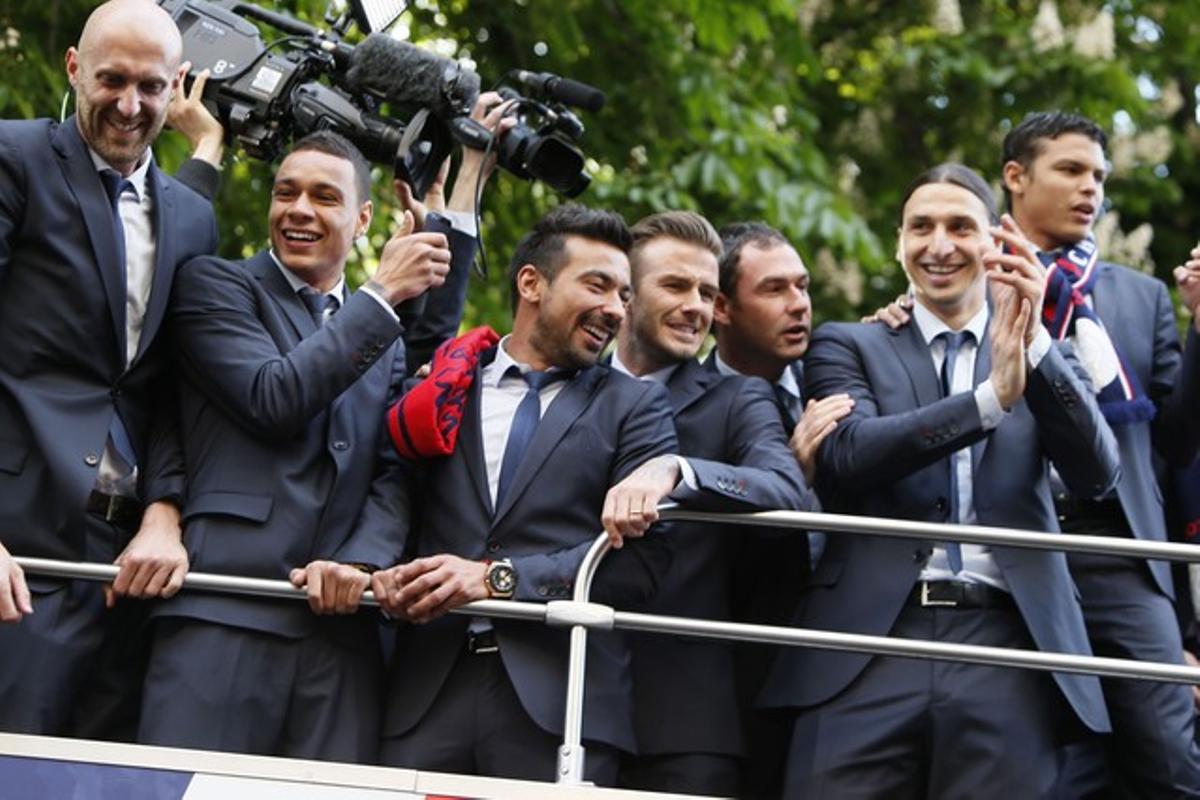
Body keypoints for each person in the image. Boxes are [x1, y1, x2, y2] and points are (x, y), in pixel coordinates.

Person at [134, 104, 503, 761]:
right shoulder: (215, 285)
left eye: (325, 197)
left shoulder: (379, 334)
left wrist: (361, 562)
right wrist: (381, 293)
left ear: (363, 220)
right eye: (286, 192)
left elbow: (395, 467)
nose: (299, 209)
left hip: (342, 636)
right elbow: (274, 397)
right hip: (225, 611)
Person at [761, 163, 1120, 797]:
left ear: (996, 242)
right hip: (867, 640)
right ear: (899, 242)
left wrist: (1033, 343)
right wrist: (988, 401)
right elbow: (848, 455)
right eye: (921, 227)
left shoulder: (1049, 354)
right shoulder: (850, 344)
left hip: (1008, 643)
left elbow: (1097, 474)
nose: (940, 245)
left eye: (960, 226)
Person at [371, 204, 685, 785]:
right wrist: (375, 570)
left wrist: (497, 579)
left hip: (561, 705)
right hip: (422, 694)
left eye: (624, 295)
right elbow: (392, 494)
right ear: (531, 283)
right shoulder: (445, 382)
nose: (616, 309)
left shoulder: (637, 405)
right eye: (597, 285)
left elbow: (643, 562)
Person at [0, 0, 217, 734]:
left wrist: (165, 513)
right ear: (74, 68)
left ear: (176, 85)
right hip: (16, 544)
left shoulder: (194, 217)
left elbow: (178, 388)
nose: (129, 105)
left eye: (151, 86)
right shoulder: (15, 157)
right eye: (112, 80)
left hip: (127, 569)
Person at [1002, 111, 1200, 797]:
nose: (1091, 188)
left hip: (1121, 552)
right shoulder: (972, 277)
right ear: (1016, 177)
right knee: (1033, 765)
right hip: (1011, 548)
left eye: (1099, 176)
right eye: (1071, 170)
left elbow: (1177, 440)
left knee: (1172, 764)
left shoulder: (1141, 297)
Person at [609, 211, 816, 796]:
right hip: (547, 693)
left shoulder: (737, 399)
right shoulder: (569, 384)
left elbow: (783, 487)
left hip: (681, 721)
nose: (695, 307)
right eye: (676, 286)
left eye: (705, 292)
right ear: (625, 294)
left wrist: (680, 471)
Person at [706, 221, 852, 795]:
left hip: (843, 656)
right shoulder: (682, 400)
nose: (799, 305)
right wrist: (784, 479)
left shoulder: (839, 380)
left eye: (803, 286)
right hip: (729, 666)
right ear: (721, 307)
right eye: (774, 289)